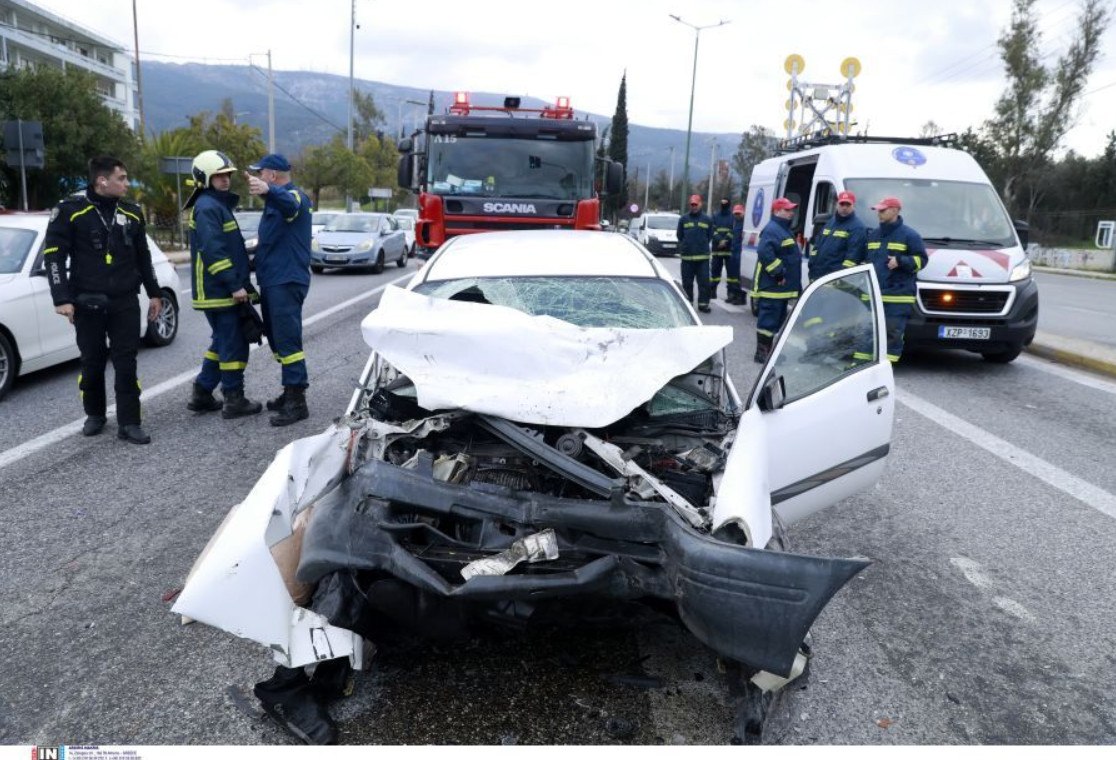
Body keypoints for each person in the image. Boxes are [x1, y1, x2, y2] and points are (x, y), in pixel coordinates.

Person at [44, 156, 162, 444]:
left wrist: (155, 292)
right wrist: (62, 297)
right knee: (92, 361)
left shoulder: (132, 213)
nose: (126, 183)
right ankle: (95, 414)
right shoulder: (70, 210)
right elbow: (54, 257)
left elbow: (143, 257)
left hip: (125, 301)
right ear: (102, 181)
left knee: (126, 362)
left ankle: (130, 422)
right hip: (87, 301)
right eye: (121, 178)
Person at [183, 149, 263, 419]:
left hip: (221, 289)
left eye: (227, 175)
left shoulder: (214, 205)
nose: (225, 180)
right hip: (218, 291)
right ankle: (234, 399)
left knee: (222, 341)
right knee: (233, 344)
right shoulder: (208, 207)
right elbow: (214, 252)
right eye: (219, 177)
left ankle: (202, 393)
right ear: (205, 178)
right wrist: (234, 285)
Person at [245, 153, 313, 426]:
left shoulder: (294, 197)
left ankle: (298, 401)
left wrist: (269, 191)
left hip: (286, 281)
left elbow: (290, 205)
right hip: (273, 279)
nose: (259, 178)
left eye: (261, 174)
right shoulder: (275, 201)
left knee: (288, 341)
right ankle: (289, 391)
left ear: (272, 176)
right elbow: (272, 242)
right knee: (277, 339)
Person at [846, 196, 927, 362]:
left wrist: (901, 261)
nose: (879, 213)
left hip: (898, 296)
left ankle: (886, 368)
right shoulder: (874, 235)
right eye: (878, 210)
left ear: (895, 211)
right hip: (874, 293)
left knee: (892, 334)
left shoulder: (910, 235)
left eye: (883, 210)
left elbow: (922, 261)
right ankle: (860, 365)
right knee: (867, 330)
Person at [752, 197, 803, 363]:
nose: (791, 213)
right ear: (777, 211)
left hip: (781, 288)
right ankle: (762, 353)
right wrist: (779, 273)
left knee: (777, 320)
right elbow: (765, 253)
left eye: (791, 209)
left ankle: (769, 352)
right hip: (773, 286)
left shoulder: (783, 229)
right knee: (768, 320)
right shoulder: (773, 229)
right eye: (787, 210)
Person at [811, 190, 867, 281]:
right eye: (842, 204)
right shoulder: (830, 223)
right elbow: (817, 246)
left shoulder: (857, 228)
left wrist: (840, 279)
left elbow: (852, 259)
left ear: (853, 206)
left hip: (836, 280)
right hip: (818, 277)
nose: (844, 207)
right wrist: (811, 265)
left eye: (848, 205)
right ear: (837, 204)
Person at [675, 194, 713, 313]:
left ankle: (703, 304)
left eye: (696, 204)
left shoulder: (707, 220)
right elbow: (679, 235)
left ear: (700, 204)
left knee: (704, 283)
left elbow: (710, 236)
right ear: (689, 205)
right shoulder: (683, 219)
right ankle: (689, 304)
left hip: (702, 259)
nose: (694, 207)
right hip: (687, 258)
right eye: (692, 204)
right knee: (687, 283)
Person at [709, 198, 734, 300]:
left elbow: (733, 230)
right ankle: (712, 290)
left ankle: (730, 293)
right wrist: (720, 240)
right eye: (722, 203)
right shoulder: (715, 216)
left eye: (725, 203)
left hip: (728, 249)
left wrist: (725, 240)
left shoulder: (732, 217)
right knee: (715, 272)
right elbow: (712, 230)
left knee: (731, 273)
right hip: (717, 248)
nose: (723, 205)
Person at [727, 203, 747, 305]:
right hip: (734, 250)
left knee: (738, 276)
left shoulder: (745, 223)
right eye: (735, 214)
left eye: (739, 213)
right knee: (733, 275)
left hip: (739, 251)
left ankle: (740, 297)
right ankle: (734, 294)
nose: (737, 215)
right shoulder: (735, 222)